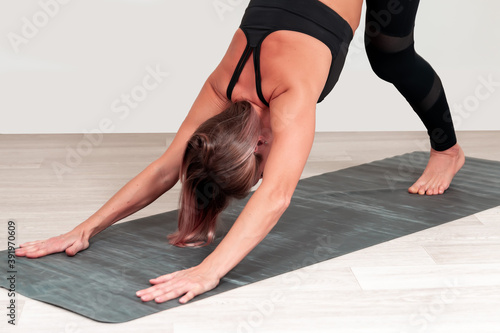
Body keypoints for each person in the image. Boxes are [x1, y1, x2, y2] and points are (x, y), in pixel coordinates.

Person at [15, 0, 465, 304]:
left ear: (259, 143)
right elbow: (168, 167)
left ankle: (448, 150)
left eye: (263, 163)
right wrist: (83, 229)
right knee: (385, 52)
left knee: (390, 53)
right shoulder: (223, 84)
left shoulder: (290, 95)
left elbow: (277, 196)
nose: (273, 164)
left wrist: (208, 271)